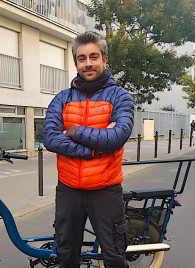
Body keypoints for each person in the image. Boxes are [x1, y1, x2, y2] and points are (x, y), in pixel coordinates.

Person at [43, 31, 134, 267]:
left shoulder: (120, 97)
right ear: (76, 63)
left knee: (114, 257)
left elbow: (116, 137)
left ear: (104, 60)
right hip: (69, 190)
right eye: (82, 58)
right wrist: (95, 150)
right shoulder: (62, 99)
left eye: (94, 56)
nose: (88, 63)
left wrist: (73, 131)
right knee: (66, 256)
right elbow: (50, 139)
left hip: (106, 190)